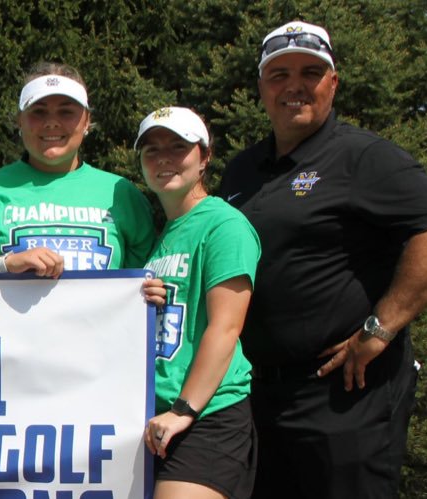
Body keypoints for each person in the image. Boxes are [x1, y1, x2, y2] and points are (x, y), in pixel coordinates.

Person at [217, 21, 427, 498]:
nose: (295, 86)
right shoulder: (244, 168)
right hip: (260, 393)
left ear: (333, 83)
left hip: (345, 394)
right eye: (279, 74)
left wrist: (380, 329)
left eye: (311, 72)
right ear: (262, 87)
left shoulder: (363, 156)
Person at [0, 62, 156, 277]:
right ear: (19, 120)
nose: (51, 123)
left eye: (66, 111)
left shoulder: (122, 194)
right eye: (38, 111)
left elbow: (146, 282)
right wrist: (3, 265)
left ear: (87, 120)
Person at [135, 107, 259, 499]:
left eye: (178, 147)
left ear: (205, 157)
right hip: (160, 417)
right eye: (151, 150)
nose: (164, 158)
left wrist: (185, 410)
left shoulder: (224, 225)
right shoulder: (165, 235)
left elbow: (225, 327)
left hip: (207, 415)